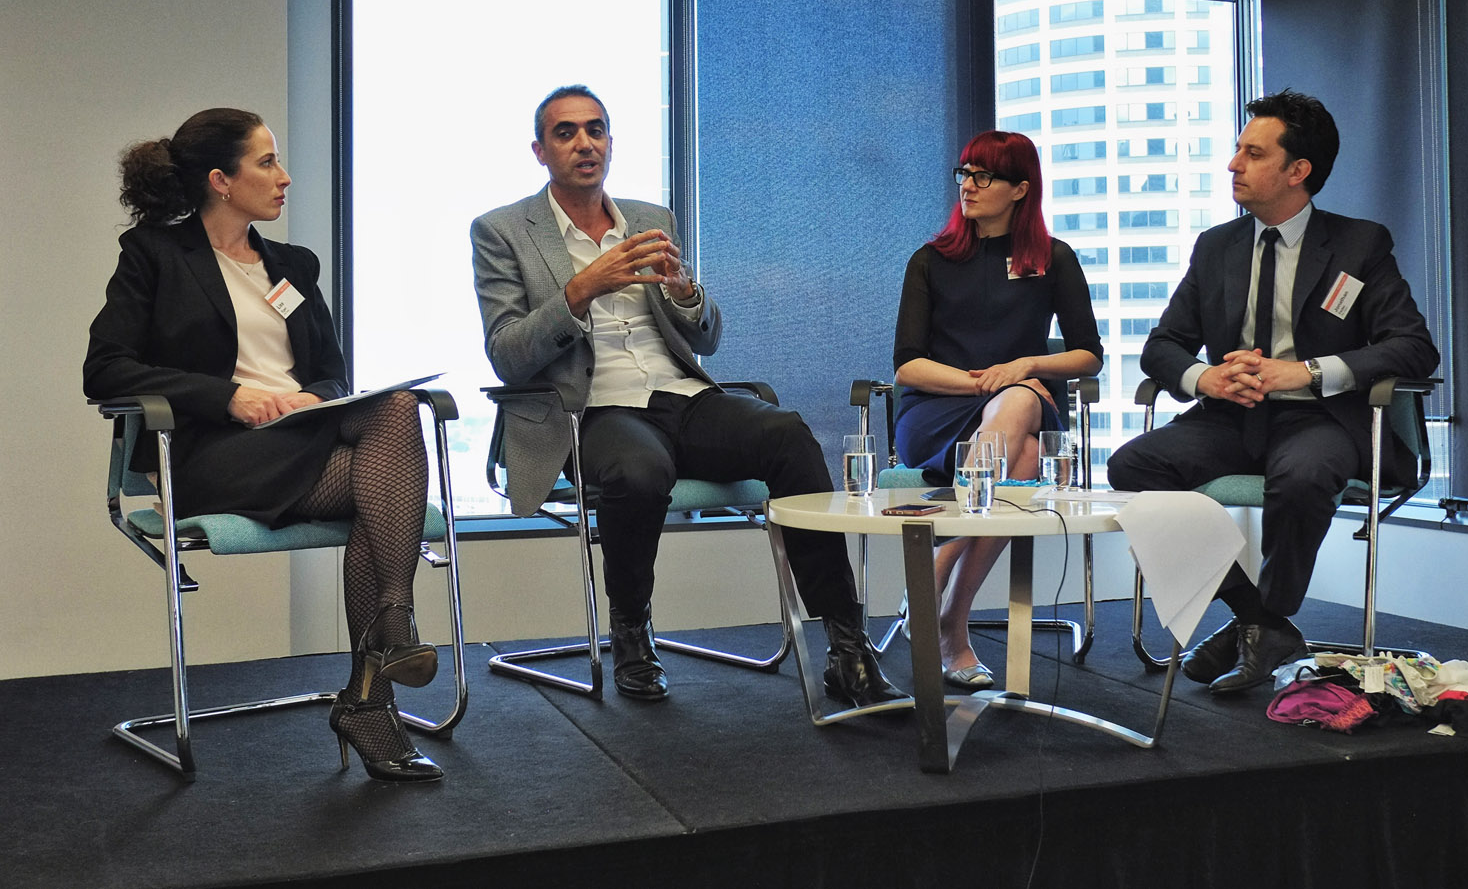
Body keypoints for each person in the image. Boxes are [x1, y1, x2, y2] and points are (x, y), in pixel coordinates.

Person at [471, 84, 904, 706]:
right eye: (566, 133)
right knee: (640, 469)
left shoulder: (651, 219)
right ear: (540, 151)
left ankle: (846, 643)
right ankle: (631, 631)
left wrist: (682, 293)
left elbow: (708, 335)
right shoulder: (503, 231)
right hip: (590, 409)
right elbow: (507, 354)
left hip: (681, 393)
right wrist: (581, 289)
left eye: (596, 129)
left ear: (611, 142)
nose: (584, 143)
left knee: (787, 432)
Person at [84, 108, 444, 782]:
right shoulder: (155, 256)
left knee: (396, 408)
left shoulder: (292, 265)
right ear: (221, 180)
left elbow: (331, 369)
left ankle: (383, 651)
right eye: (267, 163)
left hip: (303, 439)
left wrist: (315, 394)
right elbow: (104, 367)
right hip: (212, 455)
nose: (284, 179)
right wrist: (227, 397)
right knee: (382, 491)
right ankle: (381, 668)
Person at [1107, 89, 1439, 695]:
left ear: (1297, 171)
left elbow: (1414, 348)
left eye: (1251, 153)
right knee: (1132, 466)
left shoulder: (1360, 245)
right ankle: (1259, 620)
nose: (1233, 164)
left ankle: (1261, 623)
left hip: (1320, 420)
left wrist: (1308, 371)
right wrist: (1204, 378)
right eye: (1237, 150)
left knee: (1305, 475)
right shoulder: (1216, 247)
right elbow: (1163, 346)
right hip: (1231, 418)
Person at [892, 130, 1105, 688]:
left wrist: (1028, 366)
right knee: (1026, 452)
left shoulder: (1053, 259)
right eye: (963, 173)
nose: (967, 185)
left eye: (983, 176)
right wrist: (996, 383)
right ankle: (949, 627)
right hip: (937, 412)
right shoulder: (929, 261)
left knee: (1024, 434)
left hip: (1017, 408)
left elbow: (1089, 356)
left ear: (1020, 189)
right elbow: (907, 366)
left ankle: (940, 584)